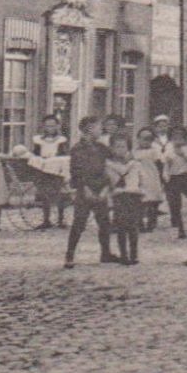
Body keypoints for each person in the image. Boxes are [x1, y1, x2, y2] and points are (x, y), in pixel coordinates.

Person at [64, 116, 115, 269]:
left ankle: (106, 253)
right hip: (84, 190)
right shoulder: (77, 149)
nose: (101, 130)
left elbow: (109, 167)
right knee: (79, 222)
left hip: (101, 189)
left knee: (104, 222)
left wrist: (106, 188)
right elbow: (76, 171)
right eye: (99, 127)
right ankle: (69, 255)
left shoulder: (102, 148)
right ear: (89, 128)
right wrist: (85, 188)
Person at [105, 133, 142, 265]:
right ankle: (123, 254)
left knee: (133, 226)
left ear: (128, 148)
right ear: (111, 148)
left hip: (133, 195)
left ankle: (134, 254)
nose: (120, 149)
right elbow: (108, 182)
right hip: (119, 196)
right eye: (117, 147)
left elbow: (140, 179)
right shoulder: (108, 164)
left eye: (123, 146)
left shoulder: (135, 163)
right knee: (121, 226)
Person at [30, 115, 70, 230]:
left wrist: (56, 157)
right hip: (44, 167)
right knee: (44, 194)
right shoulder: (39, 140)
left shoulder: (61, 140)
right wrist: (40, 157)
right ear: (43, 127)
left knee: (59, 193)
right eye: (47, 126)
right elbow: (36, 153)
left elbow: (63, 153)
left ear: (57, 126)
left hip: (56, 167)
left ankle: (61, 219)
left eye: (52, 125)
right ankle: (46, 219)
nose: (50, 128)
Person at [133, 126, 166, 233]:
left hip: (152, 179)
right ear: (138, 139)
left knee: (152, 202)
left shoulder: (155, 151)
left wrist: (162, 178)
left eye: (149, 139)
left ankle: (151, 223)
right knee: (139, 202)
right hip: (138, 179)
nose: (146, 141)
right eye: (143, 138)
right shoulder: (134, 152)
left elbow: (160, 165)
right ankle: (139, 224)